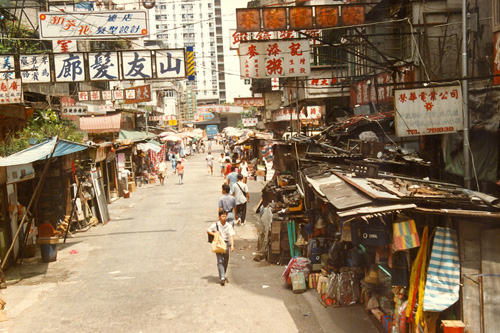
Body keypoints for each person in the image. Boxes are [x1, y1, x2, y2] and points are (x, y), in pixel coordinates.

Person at [207, 211, 235, 286]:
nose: (224, 218)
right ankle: (222, 277)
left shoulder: (228, 226)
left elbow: (231, 236)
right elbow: (208, 230)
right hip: (218, 243)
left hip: (225, 243)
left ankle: (222, 273)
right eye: (222, 216)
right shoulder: (216, 225)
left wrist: (232, 245)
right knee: (219, 260)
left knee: (226, 260)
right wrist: (214, 234)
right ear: (219, 218)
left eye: (225, 216)